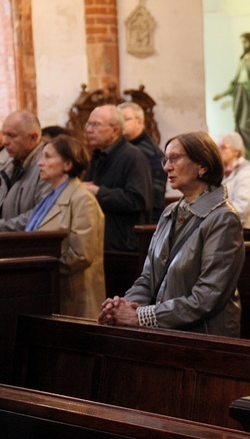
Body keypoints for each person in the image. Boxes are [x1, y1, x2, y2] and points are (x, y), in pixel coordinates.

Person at [98, 131, 245, 337]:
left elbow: (207, 297)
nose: (166, 167)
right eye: (165, 159)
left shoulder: (223, 218)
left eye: (175, 158)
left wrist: (141, 316)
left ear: (202, 165)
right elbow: (148, 279)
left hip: (205, 337)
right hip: (167, 332)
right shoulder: (170, 212)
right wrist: (123, 306)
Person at [26, 135, 105, 319]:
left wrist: (43, 270)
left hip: (73, 297)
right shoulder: (50, 197)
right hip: (51, 291)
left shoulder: (82, 199)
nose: (40, 163)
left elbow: (81, 254)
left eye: (48, 157)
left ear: (68, 164)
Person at [83, 105, 153, 251]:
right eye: (88, 124)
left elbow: (137, 200)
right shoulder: (97, 156)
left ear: (115, 130)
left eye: (95, 125)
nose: (89, 130)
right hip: (100, 243)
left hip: (124, 247)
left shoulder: (134, 157)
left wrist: (98, 192)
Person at [212, 32, 250, 170]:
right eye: (242, 43)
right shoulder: (243, 59)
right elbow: (236, 81)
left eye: (245, 42)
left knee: (246, 126)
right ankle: (244, 155)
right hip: (240, 94)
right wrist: (222, 94)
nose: (244, 45)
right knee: (239, 125)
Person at [0, 111, 51, 230]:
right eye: (4, 135)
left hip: (29, 245)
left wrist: (2, 227)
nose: (5, 142)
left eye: (12, 136)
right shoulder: (9, 164)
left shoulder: (47, 166)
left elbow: (42, 213)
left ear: (33, 138)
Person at [118, 102, 167, 222]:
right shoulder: (119, 149)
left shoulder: (151, 153)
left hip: (142, 223)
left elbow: (155, 198)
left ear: (139, 122)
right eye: (118, 120)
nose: (120, 124)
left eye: (125, 119)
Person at [218, 132, 250, 229]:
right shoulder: (223, 174)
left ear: (236, 151)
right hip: (225, 230)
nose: (218, 151)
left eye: (223, 147)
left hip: (245, 234)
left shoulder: (247, 174)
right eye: (218, 147)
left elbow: (240, 210)